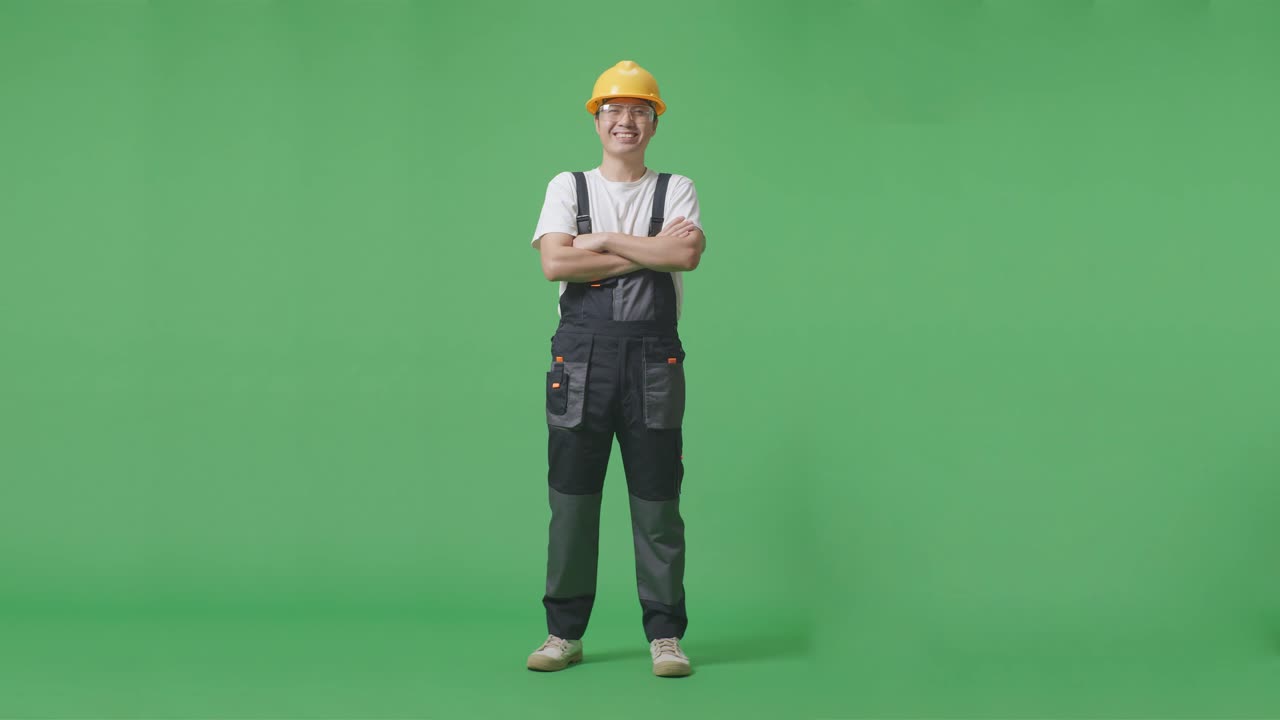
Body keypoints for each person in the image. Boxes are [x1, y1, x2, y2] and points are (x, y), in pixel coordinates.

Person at [525, 60, 706, 678]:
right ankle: (563, 633)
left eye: (639, 111)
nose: (625, 120)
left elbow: (684, 253)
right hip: (579, 363)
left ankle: (665, 637)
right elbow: (554, 265)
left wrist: (597, 244)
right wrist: (646, 252)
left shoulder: (676, 187)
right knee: (572, 503)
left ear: (653, 123)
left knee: (658, 503)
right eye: (613, 110)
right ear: (596, 119)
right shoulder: (566, 187)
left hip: (654, 362)